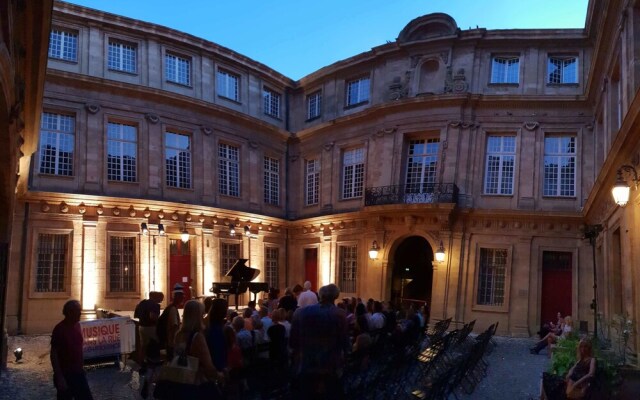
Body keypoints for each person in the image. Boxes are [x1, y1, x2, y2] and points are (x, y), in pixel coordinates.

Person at [290, 284, 350, 399]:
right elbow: (345, 343)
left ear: (319, 295)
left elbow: (293, 342)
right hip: (330, 367)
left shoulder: (299, 313)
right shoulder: (339, 314)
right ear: (335, 296)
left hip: (306, 366)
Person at [167, 300, 224, 399]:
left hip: (180, 381)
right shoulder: (197, 337)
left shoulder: (178, 335)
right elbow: (208, 366)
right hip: (195, 383)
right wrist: (220, 375)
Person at [50, 299, 94, 400]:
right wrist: (59, 377)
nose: (80, 313)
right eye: (77, 310)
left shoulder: (77, 326)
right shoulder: (59, 329)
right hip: (66, 374)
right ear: (69, 312)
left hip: (78, 373)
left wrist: (82, 367)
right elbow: (54, 354)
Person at [164, 284, 185, 359]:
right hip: (172, 342)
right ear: (177, 297)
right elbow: (174, 326)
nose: (183, 298)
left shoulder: (171, 307)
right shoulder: (173, 309)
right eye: (181, 296)